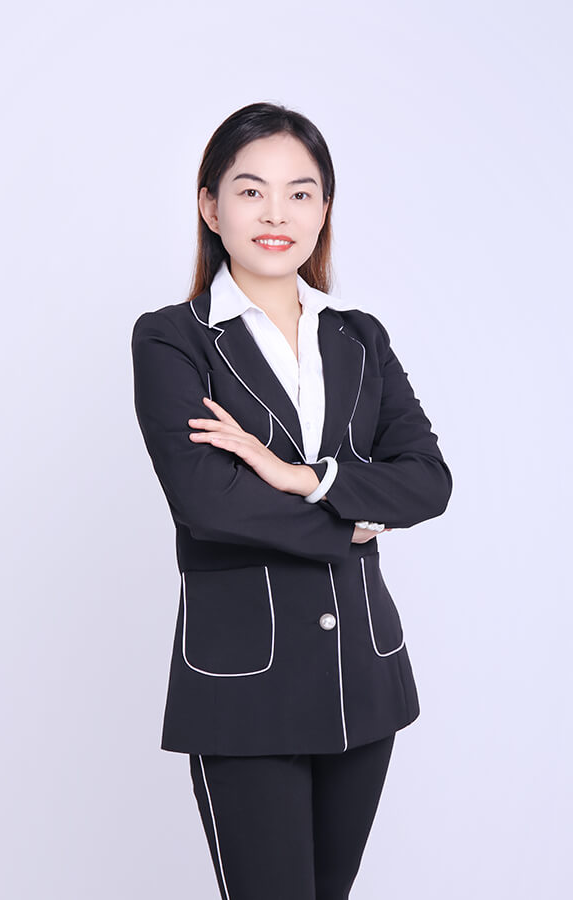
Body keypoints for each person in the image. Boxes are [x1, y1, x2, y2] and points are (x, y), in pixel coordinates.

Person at [131, 101, 453, 900]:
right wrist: (356, 522)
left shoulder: (360, 336)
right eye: (251, 191)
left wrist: (304, 477)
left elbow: (428, 480)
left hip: (365, 678)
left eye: (300, 193)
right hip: (246, 684)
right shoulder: (174, 339)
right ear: (211, 207)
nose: (277, 214)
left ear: (324, 210)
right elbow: (210, 503)